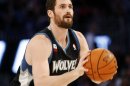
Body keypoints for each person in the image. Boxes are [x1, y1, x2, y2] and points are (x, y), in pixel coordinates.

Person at [10, 0, 90, 86]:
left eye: (70, 7)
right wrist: (76, 72)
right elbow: (41, 83)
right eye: (62, 6)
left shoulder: (79, 38)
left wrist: (102, 72)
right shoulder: (40, 42)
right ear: (50, 13)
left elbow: (91, 69)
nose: (68, 10)